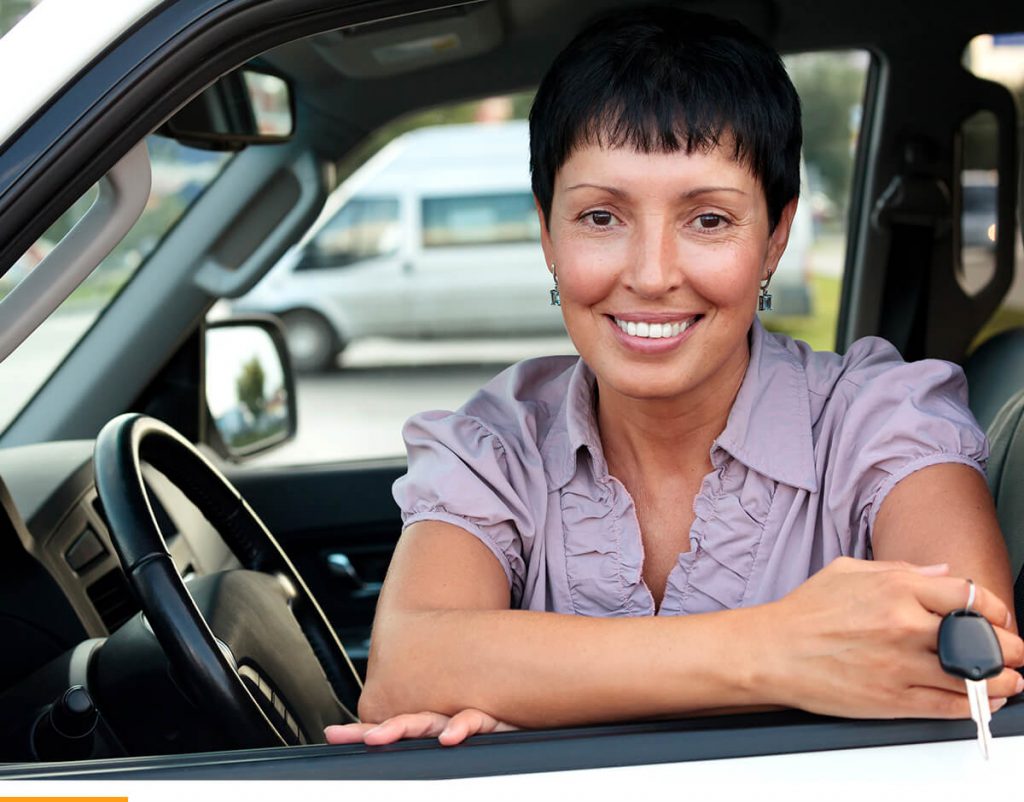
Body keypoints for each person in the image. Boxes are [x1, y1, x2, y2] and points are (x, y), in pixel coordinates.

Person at [326, 6, 1023, 747]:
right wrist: (781, 651)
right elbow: (406, 669)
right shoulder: (500, 440)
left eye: (709, 220)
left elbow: (966, 663)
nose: (652, 275)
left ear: (776, 237)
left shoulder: (879, 416)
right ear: (547, 233)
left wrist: (534, 694)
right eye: (600, 217)